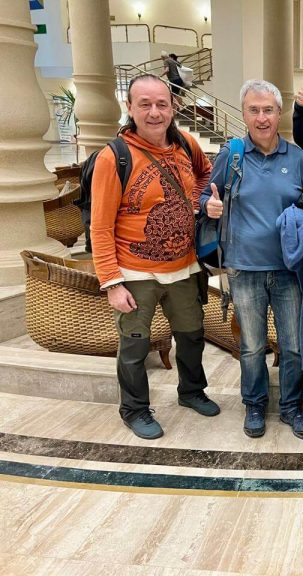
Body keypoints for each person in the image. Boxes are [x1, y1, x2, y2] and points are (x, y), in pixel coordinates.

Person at [90, 74, 216, 440]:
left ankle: (191, 391)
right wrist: (112, 283)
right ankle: (134, 409)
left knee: (191, 335)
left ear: (173, 107)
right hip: (135, 271)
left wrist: (199, 202)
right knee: (134, 344)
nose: (155, 112)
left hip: (184, 267)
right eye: (144, 104)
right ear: (129, 108)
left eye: (162, 104)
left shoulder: (185, 144)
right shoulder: (114, 157)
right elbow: (99, 227)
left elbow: (208, 174)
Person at [200, 80, 303, 441]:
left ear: (278, 113)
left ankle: (291, 407)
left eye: (268, 110)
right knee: (251, 345)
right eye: (254, 110)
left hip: (289, 270)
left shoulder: (299, 159)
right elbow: (208, 194)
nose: (262, 117)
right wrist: (210, 205)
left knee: (293, 344)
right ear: (244, 113)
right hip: (244, 268)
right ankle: (254, 404)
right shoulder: (231, 155)